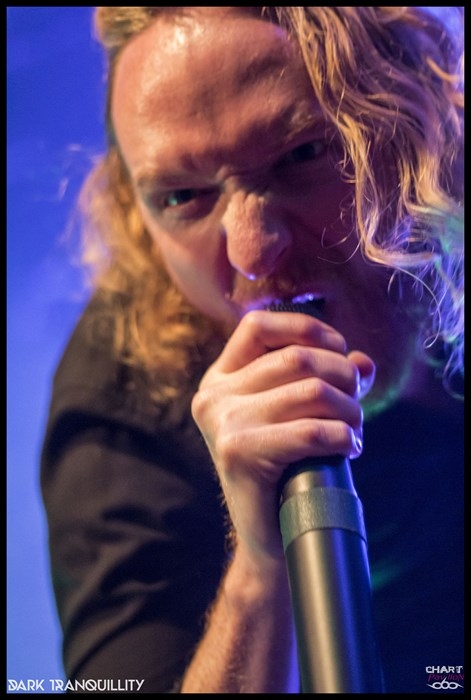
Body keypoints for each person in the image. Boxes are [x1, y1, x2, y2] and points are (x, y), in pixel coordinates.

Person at [40, 6, 464, 694]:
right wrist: (262, 565)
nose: (254, 250)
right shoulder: (121, 401)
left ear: (421, 123)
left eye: (301, 155)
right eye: (183, 196)